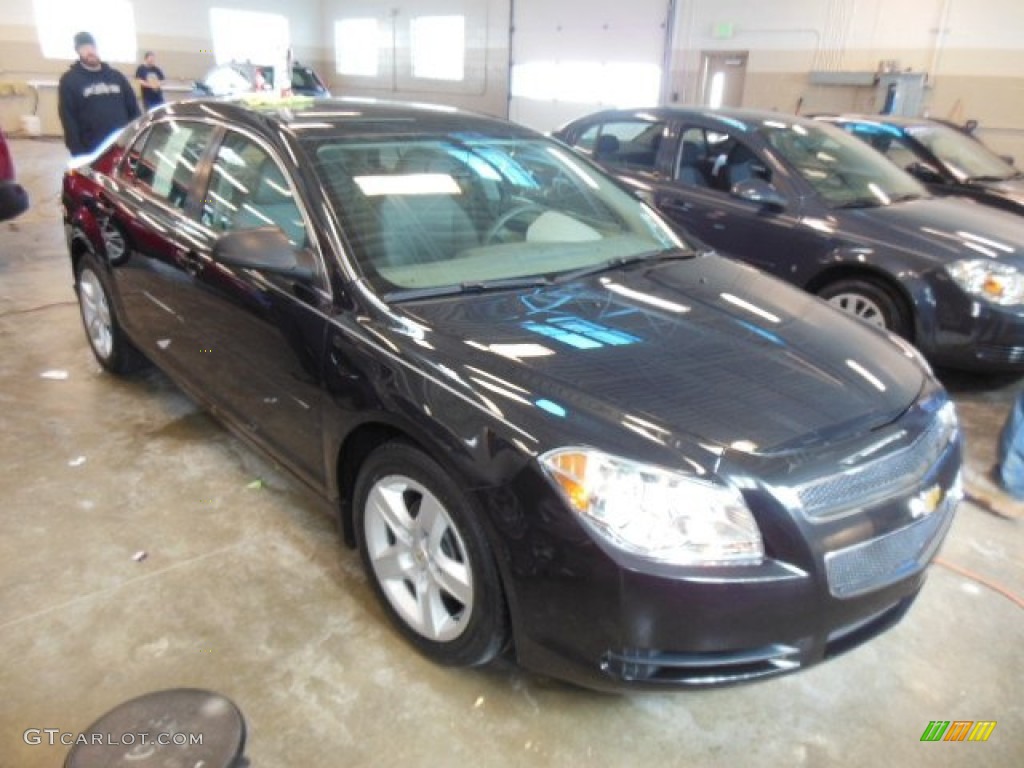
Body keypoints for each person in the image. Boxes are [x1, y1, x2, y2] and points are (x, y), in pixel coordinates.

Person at [58, 31, 140, 157]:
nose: (90, 51)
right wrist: (77, 151)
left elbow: (133, 110)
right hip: (92, 150)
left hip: (122, 146)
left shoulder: (116, 77)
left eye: (92, 47)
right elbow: (68, 119)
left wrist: (136, 139)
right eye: (84, 48)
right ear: (78, 51)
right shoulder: (70, 80)